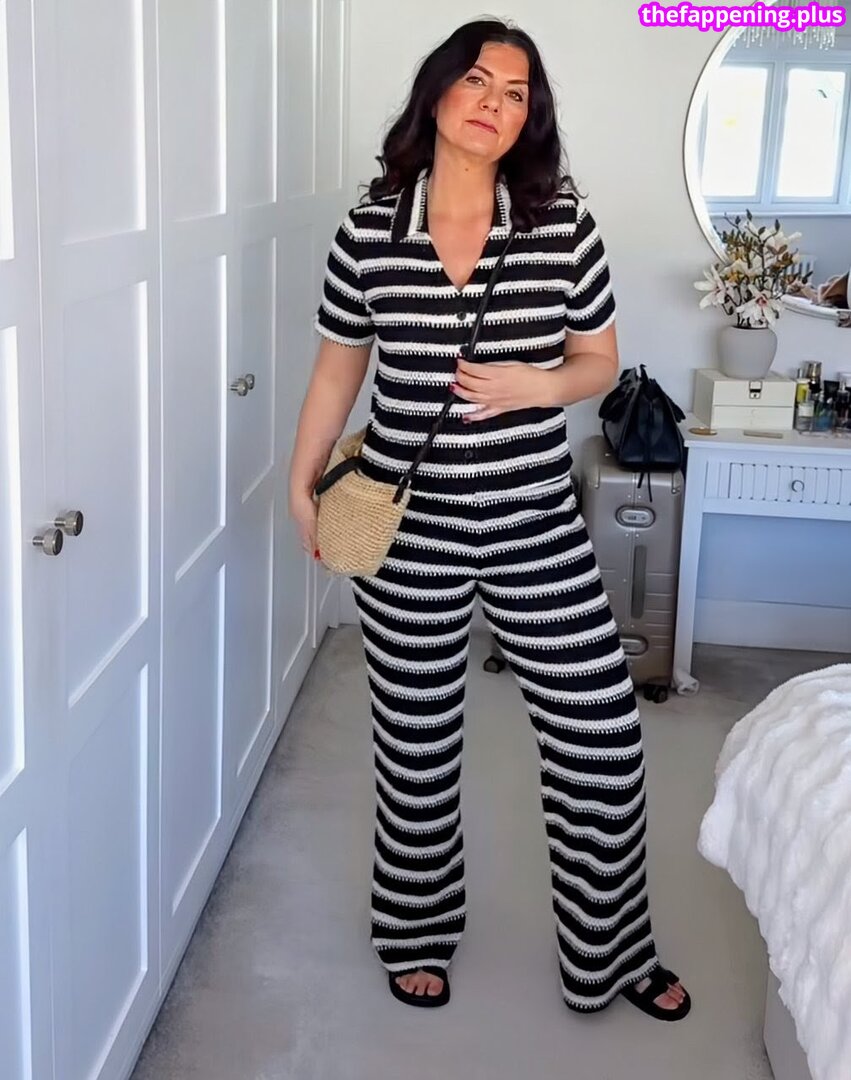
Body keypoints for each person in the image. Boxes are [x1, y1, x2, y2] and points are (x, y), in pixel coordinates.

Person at [287, 18, 691, 1022]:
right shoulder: (369, 230)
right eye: (476, 80)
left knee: (600, 737)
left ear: (527, 120)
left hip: (533, 520)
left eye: (515, 94)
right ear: (436, 92)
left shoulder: (561, 226)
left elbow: (596, 362)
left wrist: (533, 384)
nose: (493, 104)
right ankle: (414, 929)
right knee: (415, 742)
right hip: (407, 524)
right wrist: (301, 482)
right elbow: (338, 368)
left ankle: (610, 952)